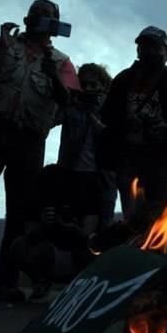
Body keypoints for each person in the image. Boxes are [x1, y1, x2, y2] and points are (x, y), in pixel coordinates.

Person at [0, 0, 79, 302]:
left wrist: (51, 75)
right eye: (39, 15)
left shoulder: (62, 61)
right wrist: (3, 48)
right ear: (27, 18)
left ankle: (6, 282)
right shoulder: (1, 43)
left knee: (19, 213)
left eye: (50, 17)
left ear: (57, 26)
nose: (43, 20)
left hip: (30, 139)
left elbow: (69, 103)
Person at [99, 26, 167, 223]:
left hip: (164, 164)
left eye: (154, 47)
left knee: (160, 219)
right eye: (144, 46)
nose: (149, 51)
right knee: (132, 218)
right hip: (129, 160)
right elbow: (107, 116)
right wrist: (126, 123)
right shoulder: (123, 81)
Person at [10, 164, 102, 301]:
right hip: (51, 253)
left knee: (94, 250)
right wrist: (44, 224)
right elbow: (29, 236)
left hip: (76, 254)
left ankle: (81, 288)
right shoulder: (37, 200)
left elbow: (90, 235)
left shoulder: (84, 194)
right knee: (19, 246)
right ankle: (41, 281)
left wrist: (72, 228)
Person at [58, 63, 113, 226]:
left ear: (103, 86)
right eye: (84, 84)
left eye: (93, 84)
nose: (88, 88)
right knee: (72, 223)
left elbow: (111, 138)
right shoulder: (71, 107)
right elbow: (50, 121)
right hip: (72, 173)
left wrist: (93, 112)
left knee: (103, 224)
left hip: (100, 176)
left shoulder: (111, 109)